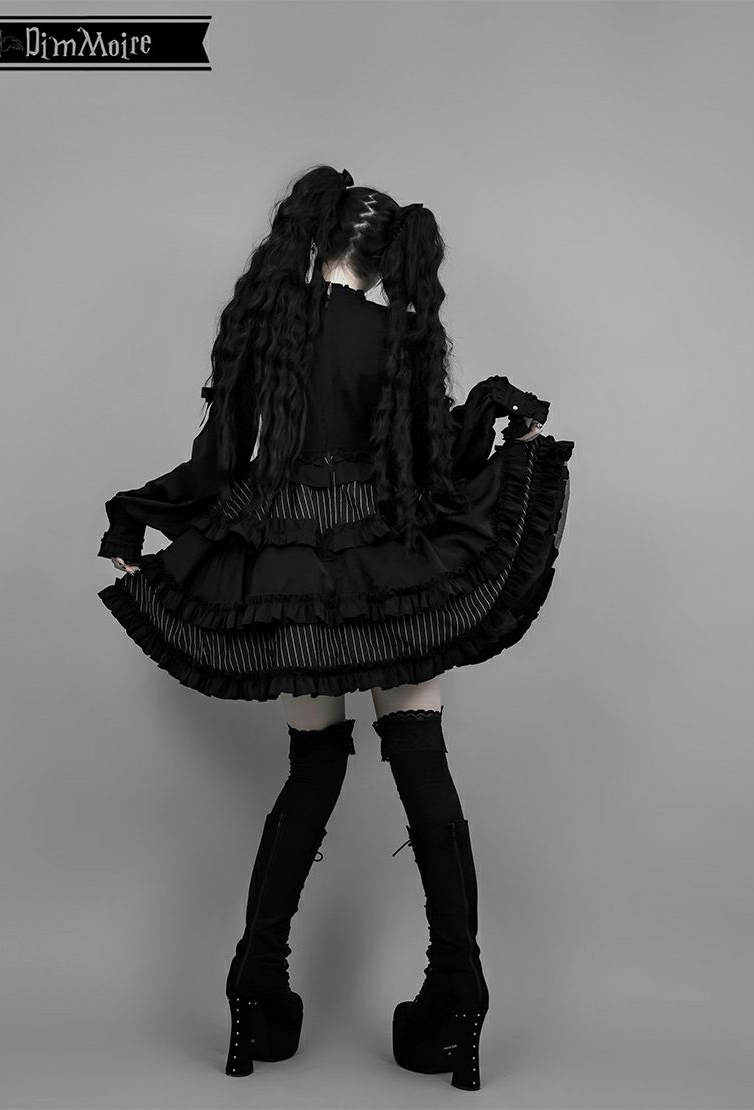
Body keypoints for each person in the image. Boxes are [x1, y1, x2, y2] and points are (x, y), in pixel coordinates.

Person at [96, 165, 575, 1091]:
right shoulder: (402, 331)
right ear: (387, 261)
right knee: (422, 760)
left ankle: (255, 987)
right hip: (388, 563)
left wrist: (139, 521)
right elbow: (429, 461)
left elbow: (217, 463)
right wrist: (495, 429)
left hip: (287, 566)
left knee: (312, 768)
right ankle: (459, 991)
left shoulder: (267, 325)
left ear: (316, 242)